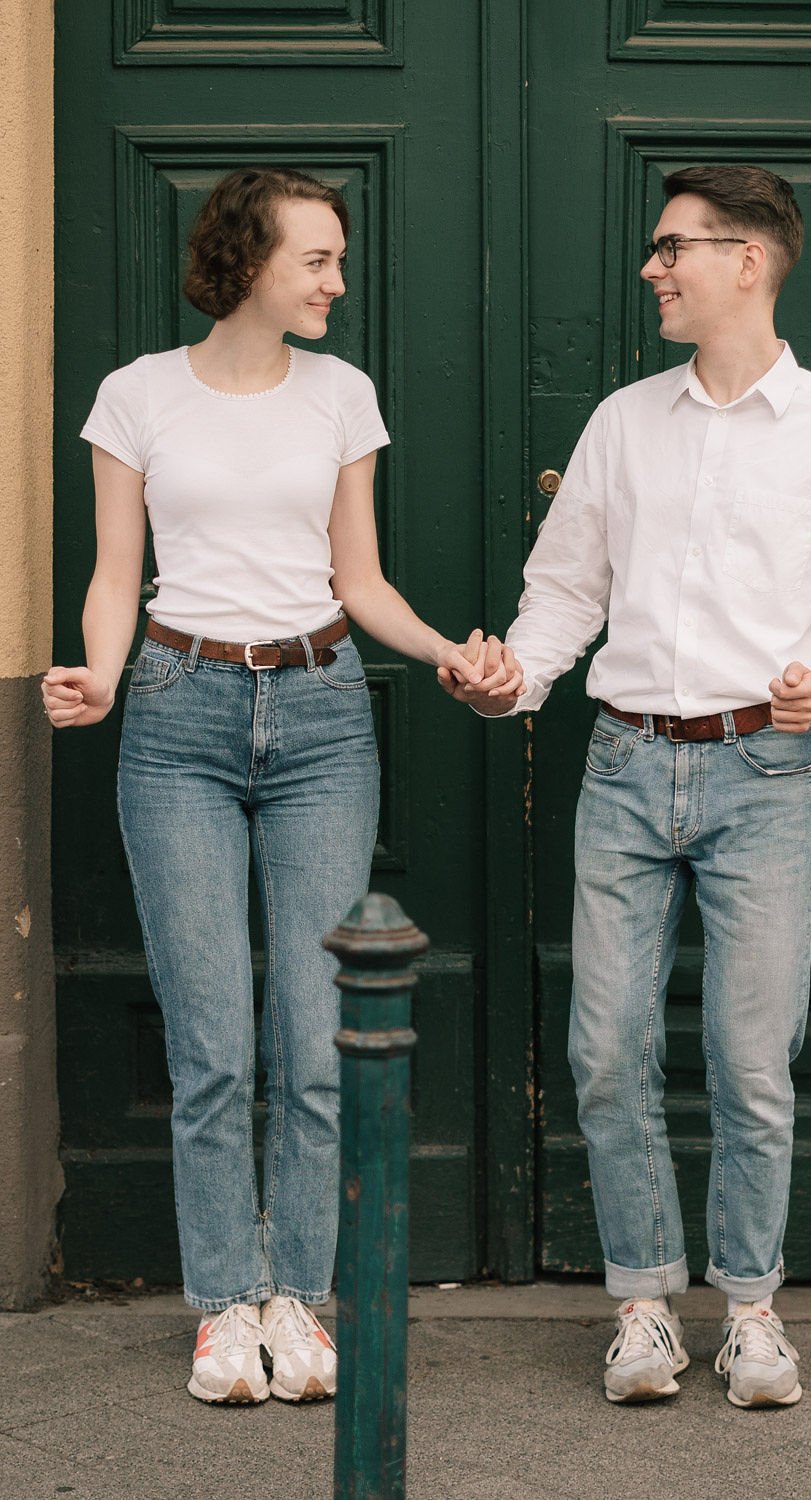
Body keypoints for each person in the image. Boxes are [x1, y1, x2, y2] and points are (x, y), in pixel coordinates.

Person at [441, 165, 811, 1408]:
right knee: (606, 1051)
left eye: (673, 248)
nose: (653, 269)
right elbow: (565, 594)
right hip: (623, 764)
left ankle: (752, 1312)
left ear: (747, 260)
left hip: (766, 768)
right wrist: (512, 680)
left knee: (752, 1059)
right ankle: (645, 1308)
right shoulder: (623, 423)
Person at [42, 167, 508, 1406]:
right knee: (210, 1044)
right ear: (248, 260)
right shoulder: (137, 394)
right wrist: (98, 678)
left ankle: (297, 1296)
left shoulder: (341, 394)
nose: (335, 282)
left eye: (337, 261)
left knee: (314, 1041)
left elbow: (360, 578)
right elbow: (115, 572)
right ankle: (222, 1307)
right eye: (317, 260)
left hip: (319, 716)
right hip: (176, 713)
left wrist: (447, 651)